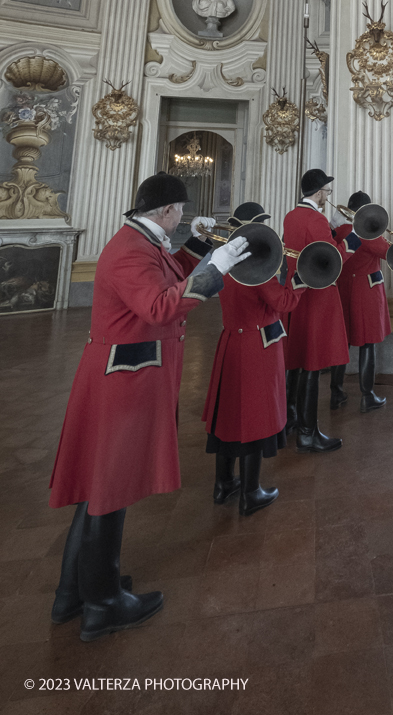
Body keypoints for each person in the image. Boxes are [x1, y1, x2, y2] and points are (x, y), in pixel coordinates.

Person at [48, 172, 250, 641]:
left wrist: (200, 250)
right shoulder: (131, 250)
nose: (181, 218)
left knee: (98, 486)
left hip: (125, 373)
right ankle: (101, 604)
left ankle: (72, 593)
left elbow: (166, 274)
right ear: (167, 211)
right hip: (125, 381)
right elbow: (160, 306)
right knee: (109, 490)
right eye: (180, 212)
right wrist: (216, 268)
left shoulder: (141, 241)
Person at [201, 203, 302, 515]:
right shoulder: (259, 271)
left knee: (228, 417)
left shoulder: (224, 264)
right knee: (255, 418)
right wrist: (298, 282)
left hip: (231, 341)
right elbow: (284, 302)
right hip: (258, 346)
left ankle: (223, 484)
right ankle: (251, 491)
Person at [283, 169, 351, 452]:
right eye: (327, 191)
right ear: (319, 192)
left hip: (296, 295)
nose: (328, 196)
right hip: (318, 296)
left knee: (298, 362)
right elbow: (333, 259)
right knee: (313, 364)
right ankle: (309, 432)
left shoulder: (290, 216)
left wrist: (332, 232)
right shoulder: (316, 218)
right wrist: (350, 239)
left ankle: (294, 419)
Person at [331, 191, 391, 413]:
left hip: (343, 292)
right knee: (368, 343)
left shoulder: (339, 230)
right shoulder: (366, 232)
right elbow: (387, 252)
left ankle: (336, 392)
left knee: (342, 342)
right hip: (366, 293)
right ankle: (367, 395)